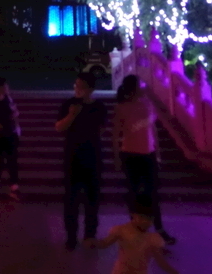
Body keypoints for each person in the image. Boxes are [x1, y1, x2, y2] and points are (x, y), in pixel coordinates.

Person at [114, 75, 176, 246]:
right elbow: (116, 134)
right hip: (130, 155)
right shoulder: (122, 107)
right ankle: (135, 228)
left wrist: (158, 153)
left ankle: (158, 229)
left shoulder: (148, 104)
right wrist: (116, 156)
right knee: (133, 192)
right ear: (133, 89)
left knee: (153, 194)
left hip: (148, 154)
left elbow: (153, 129)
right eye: (140, 84)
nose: (144, 86)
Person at [55, 71, 108, 251]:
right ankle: (71, 237)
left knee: (92, 200)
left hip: (93, 158)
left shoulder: (99, 107)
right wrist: (71, 115)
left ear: (90, 89)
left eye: (81, 87)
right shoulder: (68, 105)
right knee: (71, 200)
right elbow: (59, 128)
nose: (77, 90)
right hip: (72, 158)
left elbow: (102, 130)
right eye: (76, 86)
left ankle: (89, 235)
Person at [88, 196, 179, 274]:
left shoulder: (152, 238)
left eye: (149, 219)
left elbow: (161, 261)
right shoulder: (121, 230)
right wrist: (94, 242)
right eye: (142, 217)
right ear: (133, 215)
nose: (146, 222)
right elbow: (104, 243)